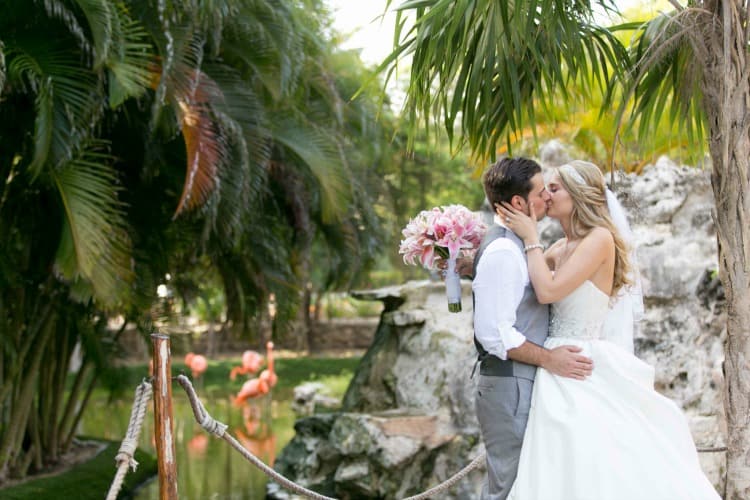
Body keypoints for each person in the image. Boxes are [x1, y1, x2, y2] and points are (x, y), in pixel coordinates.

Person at [497, 160, 720, 499]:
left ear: (579, 196)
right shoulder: (559, 247)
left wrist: (530, 237)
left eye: (555, 188)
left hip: (580, 361)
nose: (546, 194)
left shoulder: (599, 239)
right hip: (555, 364)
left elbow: (548, 292)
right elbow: (526, 283)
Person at [472, 157, 594, 500]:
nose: (547, 199)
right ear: (517, 203)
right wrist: (550, 359)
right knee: (507, 488)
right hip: (509, 384)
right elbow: (495, 335)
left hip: (519, 383)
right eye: (541, 193)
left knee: (528, 486)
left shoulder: (514, 248)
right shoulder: (503, 252)